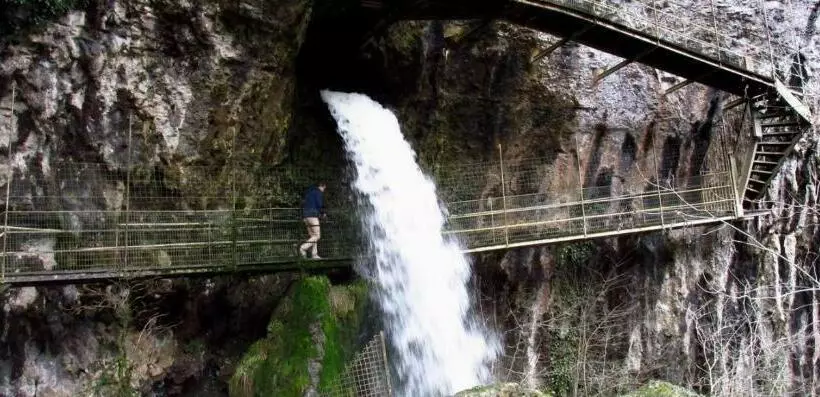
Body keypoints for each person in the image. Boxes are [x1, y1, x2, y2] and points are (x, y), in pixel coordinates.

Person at [298, 181, 327, 259]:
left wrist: (303, 216)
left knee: (313, 236)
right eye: (324, 188)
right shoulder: (318, 192)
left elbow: (303, 204)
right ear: (321, 186)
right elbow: (319, 204)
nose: (324, 190)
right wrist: (323, 213)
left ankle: (314, 254)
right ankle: (303, 248)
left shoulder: (308, 193)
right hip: (312, 216)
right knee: (317, 236)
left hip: (305, 216)